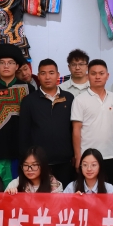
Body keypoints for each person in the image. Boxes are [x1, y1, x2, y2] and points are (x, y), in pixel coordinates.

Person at [0, 43, 34, 187]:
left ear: (17, 66)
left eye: (10, 63)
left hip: (20, 148)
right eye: (2, 63)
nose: (6, 66)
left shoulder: (28, 89)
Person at [19, 58, 75, 187]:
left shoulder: (69, 98)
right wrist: (26, 159)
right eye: (43, 73)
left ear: (58, 75)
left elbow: (73, 129)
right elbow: (23, 133)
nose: (47, 77)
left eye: (51, 73)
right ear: (38, 76)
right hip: (39, 163)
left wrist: (74, 154)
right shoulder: (29, 101)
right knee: (41, 195)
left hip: (65, 161)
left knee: (65, 195)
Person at [71, 59, 113, 188]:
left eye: (101, 73)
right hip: (88, 157)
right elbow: (76, 130)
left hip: (111, 155)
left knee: (110, 192)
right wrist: (78, 156)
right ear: (88, 76)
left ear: (107, 75)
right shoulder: (79, 100)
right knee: (87, 192)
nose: (97, 77)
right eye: (93, 73)